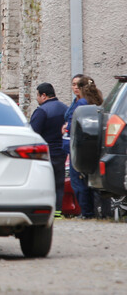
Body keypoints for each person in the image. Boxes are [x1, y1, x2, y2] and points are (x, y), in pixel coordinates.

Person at [63, 74, 100, 218]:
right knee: (85, 181)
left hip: (79, 146)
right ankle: (89, 211)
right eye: (72, 84)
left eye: (76, 85)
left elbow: (76, 123)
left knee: (79, 181)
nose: (74, 88)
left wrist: (67, 128)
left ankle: (86, 212)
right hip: (87, 145)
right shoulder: (87, 101)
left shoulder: (82, 103)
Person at [30, 82, 68, 218]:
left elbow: (33, 133)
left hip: (45, 154)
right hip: (62, 153)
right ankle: (58, 212)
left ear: (44, 95)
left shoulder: (42, 111)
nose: (37, 98)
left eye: (37, 95)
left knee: (43, 183)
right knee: (59, 183)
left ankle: (44, 211)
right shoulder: (65, 109)